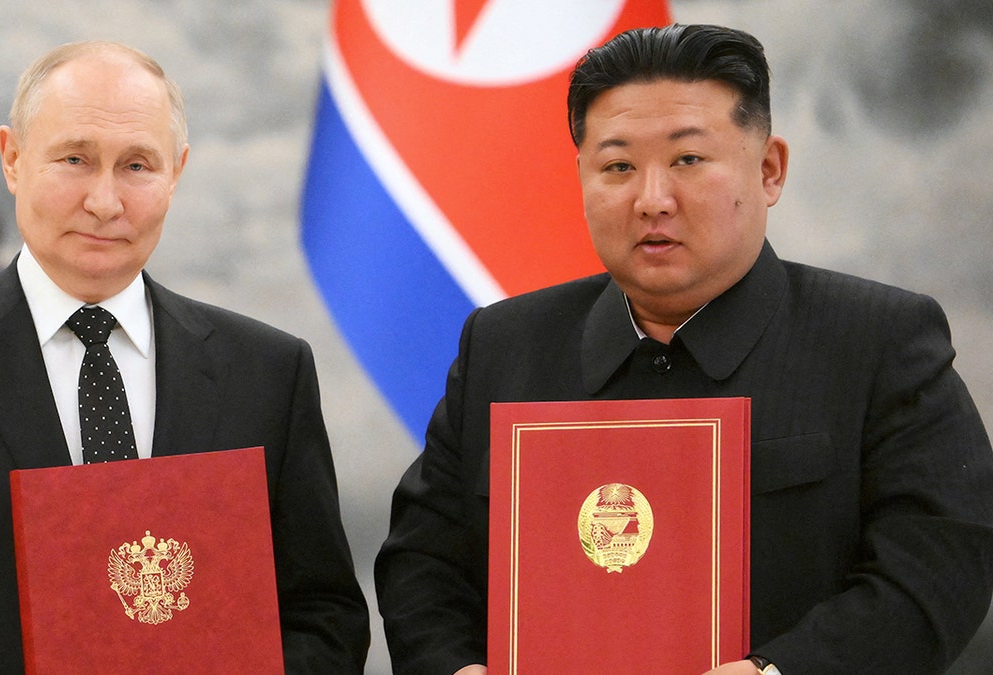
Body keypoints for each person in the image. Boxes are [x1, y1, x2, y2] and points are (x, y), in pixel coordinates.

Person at [374, 23, 993, 675]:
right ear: (580, 178)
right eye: (617, 167)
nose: (651, 200)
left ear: (769, 169)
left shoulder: (880, 340)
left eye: (688, 160)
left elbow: (937, 563)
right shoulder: (502, 345)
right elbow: (423, 562)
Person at [0, 41, 368, 673]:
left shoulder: (267, 372)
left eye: (137, 166)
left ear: (175, 173)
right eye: (75, 158)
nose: (104, 201)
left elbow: (324, 614)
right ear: (12, 159)